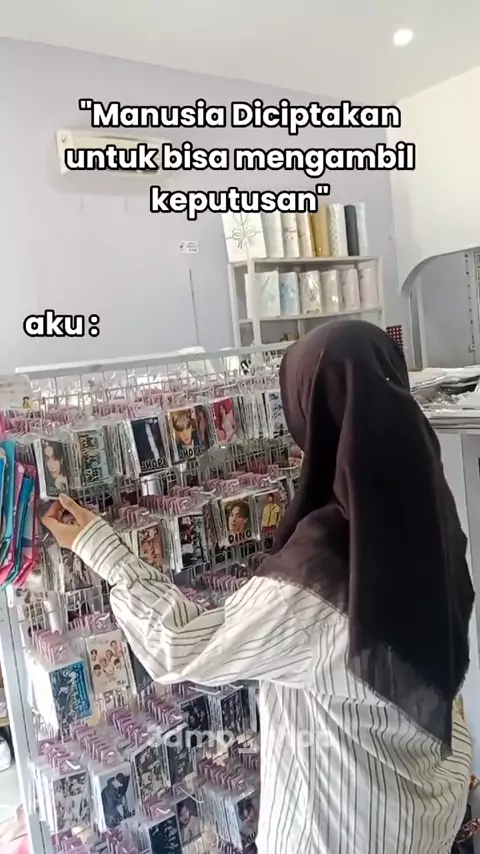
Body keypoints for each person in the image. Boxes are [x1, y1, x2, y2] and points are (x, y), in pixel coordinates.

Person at [43, 320, 474, 854]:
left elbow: (182, 647)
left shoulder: (320, 576)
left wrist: (99, 546)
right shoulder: (433, 521)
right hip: (426, 803)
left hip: (345, 829)